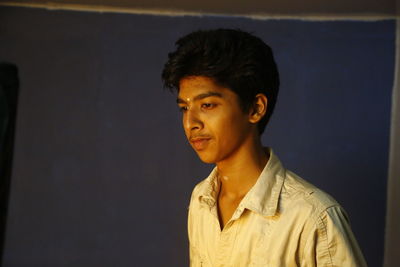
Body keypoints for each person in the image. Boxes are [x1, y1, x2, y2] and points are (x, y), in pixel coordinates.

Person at [162, 29, 367, 267]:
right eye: (184, 108)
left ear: (256, 108)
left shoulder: (314, 218)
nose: (191, 123)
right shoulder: (201, 200)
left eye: (207, 105)